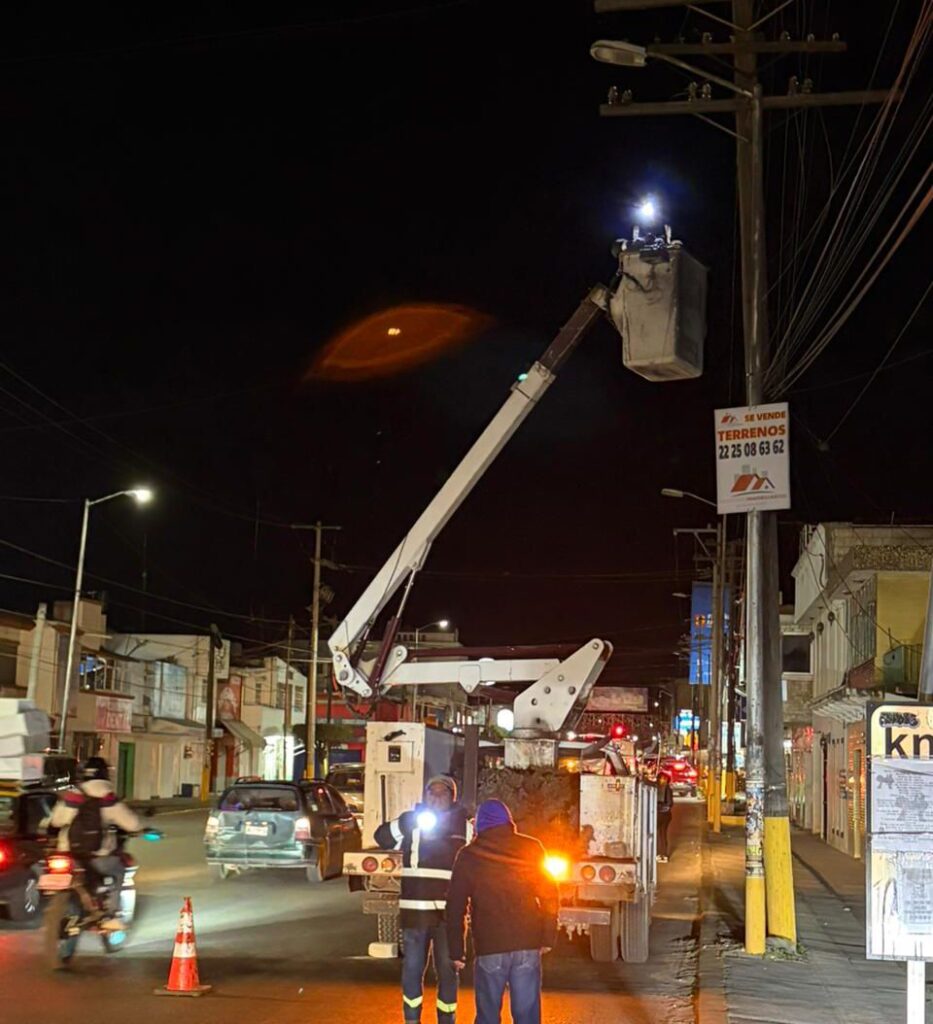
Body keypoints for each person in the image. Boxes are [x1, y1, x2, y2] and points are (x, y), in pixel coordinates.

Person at [446, 799, 559, 1024]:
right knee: (527, 1014)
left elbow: (455, 905)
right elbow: (549, 894)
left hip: (490, 945)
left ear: (480, 824)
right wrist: (548, 936)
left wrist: (456, 951)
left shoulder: (469, 855)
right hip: (527, 943)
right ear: (508, 821)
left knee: (488, 1014)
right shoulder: (531, 847)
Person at [375, 775, 469, 1024]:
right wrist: (406, 822)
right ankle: (412, 1019)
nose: (437, 797)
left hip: (449, 915)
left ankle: (446, 1020)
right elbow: (381, 836)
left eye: (443, 793)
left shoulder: (464, 826)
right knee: (413, 969)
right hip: (415, 911)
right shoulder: (411, 821)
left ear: (452, 798)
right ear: (425, 796)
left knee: (448, 971)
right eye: (432, 792)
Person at [49, 756, 142, 929]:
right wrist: (139, 829)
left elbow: (55, 821)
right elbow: (132, 824)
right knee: (119, 870)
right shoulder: (107, 797)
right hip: (97, 856)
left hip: (67, 854)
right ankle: (111, 916)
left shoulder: (72, 796)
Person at [656, 771, 673, 863]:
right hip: (665, 815)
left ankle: (660, 854)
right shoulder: (667, 789)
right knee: (662, 834)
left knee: (658, 834)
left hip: (660, 814)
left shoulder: (656, 788)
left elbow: (669, 803)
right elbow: (670, 803)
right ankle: (663, 854)